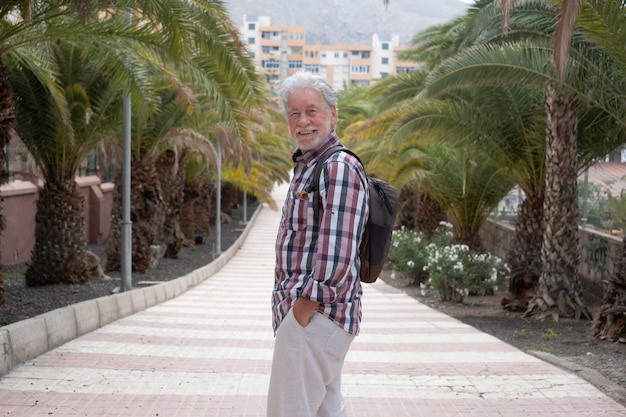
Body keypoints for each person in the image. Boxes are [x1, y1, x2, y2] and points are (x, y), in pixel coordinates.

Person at [267, 71, 369, 417]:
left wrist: (301, 311)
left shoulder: (337, 167)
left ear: (333, 114)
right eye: (294, 114)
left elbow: (337, 253)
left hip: (315, 318)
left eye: (312, 111)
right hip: (314, 320)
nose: (302, 121)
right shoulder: (310, 167)